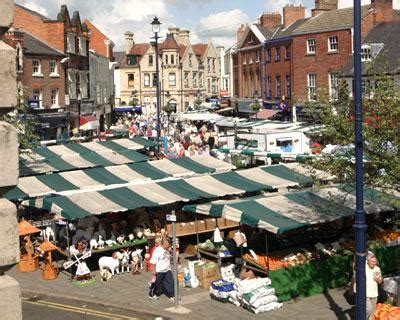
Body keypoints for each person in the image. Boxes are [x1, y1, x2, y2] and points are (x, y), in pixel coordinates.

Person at [365, 253, 382, 319]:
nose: (374, 263)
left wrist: (377, 280)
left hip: (374, 293)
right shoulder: (364, 267)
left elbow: (380, 282)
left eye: (375, 261)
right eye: (372, 261)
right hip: (365, 293)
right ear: (368, 261)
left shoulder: (377, 269)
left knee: (373, 312)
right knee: (368, 310)